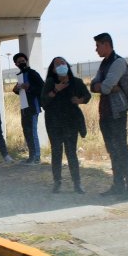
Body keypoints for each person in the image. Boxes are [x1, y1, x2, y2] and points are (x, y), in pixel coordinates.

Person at [91, 32, 128, 199]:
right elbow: (93, 85)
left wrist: (103, 86)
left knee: (121, 150)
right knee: (113, 150)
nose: (96, 49)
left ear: (106, 44)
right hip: (106, 113)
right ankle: (118, 185)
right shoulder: (105, 63)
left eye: (98, 45)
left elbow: (104, 87)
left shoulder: (118, 63)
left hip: (117, 113)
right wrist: (103, 86)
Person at [41, 57, 91, 194]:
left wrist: (79, 100)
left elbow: (87, 96)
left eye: (62, 62)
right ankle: (57, 182)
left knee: (71, 153)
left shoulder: (77, 82)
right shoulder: (50, 82)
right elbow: (43, 103)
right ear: (53, 69)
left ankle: (77, 183)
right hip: (53, 123)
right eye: (57, 64)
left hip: (71, 122)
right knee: (56, 152)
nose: (61, 65)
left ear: (67, 65)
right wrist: (55, 90)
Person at [12, 53, 45, 165]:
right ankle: (31, 156)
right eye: (19, 62)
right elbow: (20, 91)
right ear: (16, 64)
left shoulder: (32, 73)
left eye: (23, 60)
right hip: (24, 107)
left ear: (26, 61)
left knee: (32, 131)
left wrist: (30, 87)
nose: (21, 63)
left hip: (33, 106)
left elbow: (42, 88)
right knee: (26, 132)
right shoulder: (20, 75)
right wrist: (16, 89)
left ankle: (36, 157)